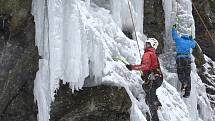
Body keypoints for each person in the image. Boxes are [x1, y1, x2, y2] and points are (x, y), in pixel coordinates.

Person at [126, 38, 163, 121]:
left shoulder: (148, 53)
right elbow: (150, 67)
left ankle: (155, 118)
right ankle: (156, 102)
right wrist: (145, 75)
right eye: (146, 43)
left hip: (154, 78)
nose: (145, 45)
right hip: (157, 78)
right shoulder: (152, 54)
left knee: (149, 98)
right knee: (146, 88)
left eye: (148, 44)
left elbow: (145, 66)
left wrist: (132, 67)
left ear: (152, 45)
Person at [172, 24, 196, 98]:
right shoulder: (189, 42)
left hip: (180, 58)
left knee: (180, 72)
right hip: (187, 59)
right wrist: (192, 39)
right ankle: (187, 92)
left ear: (182, 36)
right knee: (187, 75)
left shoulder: (179, 40)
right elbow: (194, 45)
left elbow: (174, 36)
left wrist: (174, 29)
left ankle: (183, 82)